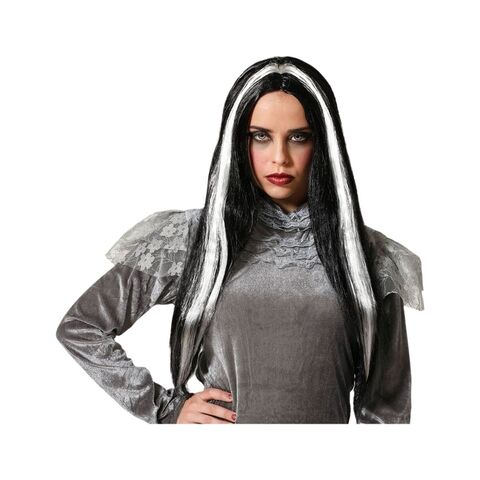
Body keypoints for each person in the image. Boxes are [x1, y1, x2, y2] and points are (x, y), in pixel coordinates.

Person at [55, 56, 424, 424]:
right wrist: (166, 408)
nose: (279, 158)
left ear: (323, 144)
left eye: (299, 137)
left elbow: (387, 412)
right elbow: (81, 326)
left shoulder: (365, 256)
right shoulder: (197, 240)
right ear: (238, 142)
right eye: (260, 136)